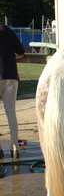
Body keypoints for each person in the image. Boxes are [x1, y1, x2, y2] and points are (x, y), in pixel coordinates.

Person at [0, 23, 25, 159]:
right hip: (11, 76)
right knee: (11, 113)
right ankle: (15, 147)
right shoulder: (7, 30)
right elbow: (21, 52)